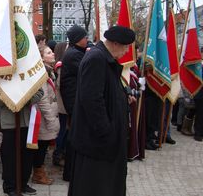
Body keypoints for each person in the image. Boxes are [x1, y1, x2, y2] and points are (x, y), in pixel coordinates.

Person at [68, 25, 135, 196]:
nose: (127, 51)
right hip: (96, 142)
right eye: (125, 46)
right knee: (95, 187)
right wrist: (107, 131)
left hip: (102, 142)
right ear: (114, 43)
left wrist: (123, 95)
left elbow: (108, 88)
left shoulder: (104, 58)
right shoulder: (97, 58)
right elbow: (92, 100)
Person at [0, 88, 43, 196]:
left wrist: (26, 99)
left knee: (27, 156)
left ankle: (23, 184)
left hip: (27, 122)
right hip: (9, 124)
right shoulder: (2, 77)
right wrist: (10, 96)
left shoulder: (29, 74)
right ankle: (9, 186)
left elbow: (40, 92)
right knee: (9, 157)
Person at [60, 24, 88, 180]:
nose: (87, 39)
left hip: (75, 101)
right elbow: (87, 72)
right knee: (74, 136)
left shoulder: (77, 52)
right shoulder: (73, 55)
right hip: (74, 102)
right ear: (77, 39)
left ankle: (73, 170)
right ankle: (70, 172)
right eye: (85, 37)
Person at [31, 45, 60, 185]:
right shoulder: (41, 72)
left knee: (43, 145)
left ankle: (39, 171)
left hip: (47, 115)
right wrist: (51, 120)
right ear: (41, 57)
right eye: (49, 52)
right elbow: (42, 99)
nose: (53, 53)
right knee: (41, 146)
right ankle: (38, 174)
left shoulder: (48, 70)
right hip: (43, 117)